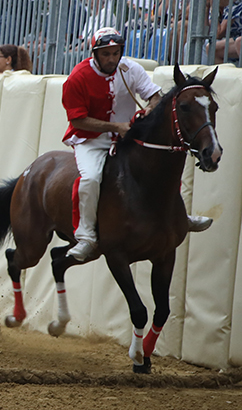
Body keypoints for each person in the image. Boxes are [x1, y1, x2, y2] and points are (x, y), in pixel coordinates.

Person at [60, 27, 211, 261]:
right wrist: (116, 127)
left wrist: (150, 108)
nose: (111, 58)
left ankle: (180, 216)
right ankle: (86, 236)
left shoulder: (131, 69)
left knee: (162, 162)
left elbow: (154, 96)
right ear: (94, 54)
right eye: (106, 54)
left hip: (127, 136)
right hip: (91, 140)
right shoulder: (77, 78)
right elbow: (78, 119)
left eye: (115, 52)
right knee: (89, 178)